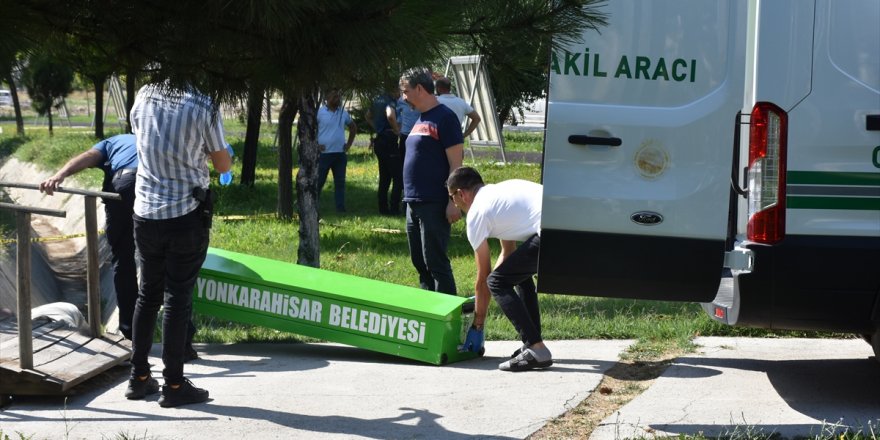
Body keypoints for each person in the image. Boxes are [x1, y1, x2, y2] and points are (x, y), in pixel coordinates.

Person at [38, 135, 201, 362]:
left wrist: (59, 175)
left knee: (123, 262)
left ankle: (131, 337)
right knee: (168, 264)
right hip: (157, 190)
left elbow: (87, 157)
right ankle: (182, 343)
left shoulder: (113, 142)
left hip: (122, 189)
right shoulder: (158, 139)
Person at [125, 82, 231, 408]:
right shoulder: (203, 103)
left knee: (148, 294)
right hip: (185, 214)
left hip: (144, 213)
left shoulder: (143, 95)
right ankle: (173, 384)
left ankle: (139, 376)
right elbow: (222, 165)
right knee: (177, 298)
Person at [446, 166, 552, 372]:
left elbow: (484, 276)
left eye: (452, 197)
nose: (454, 203)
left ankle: (538, 350)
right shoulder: (498, 195)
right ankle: (532, 342)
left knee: (496, 282)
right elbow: (508, 251)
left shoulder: (477, 214)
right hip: (566, 226)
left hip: (550, 232)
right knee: (518, 276)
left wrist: (478, 324)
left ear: (461, 193)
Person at [399, 67, 464, 295]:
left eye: (405, 91)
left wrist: (453, 202)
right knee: (420, 263)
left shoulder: (445, 118)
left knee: (435, 263)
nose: (403, 96)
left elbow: (457, 163)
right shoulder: (421, 118)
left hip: (434, 202)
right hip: (413, 202)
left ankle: (447, 319)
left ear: (419, 88)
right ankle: (427, 317)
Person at [317, 88, 357, 213]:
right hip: (324, 154)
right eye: (334, 97)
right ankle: (313, 205)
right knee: (319, 182)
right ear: (326, 98)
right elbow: (310, 129)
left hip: (339, 154)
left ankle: (340, 208)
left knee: (340, 183)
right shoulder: (319, 112)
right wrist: (316, 145)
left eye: (338, 96)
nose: (337, 99)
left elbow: (353, 127)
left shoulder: (343, 113)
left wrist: (349, 144)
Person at [366, 88, 403, 215]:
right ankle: (394, 208)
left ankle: (383, 208)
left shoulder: (377, 100)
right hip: (389, 141)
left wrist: (377, 128)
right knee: (398, 177)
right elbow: (390, 115)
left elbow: (368, 116)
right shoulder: (390, 101)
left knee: (385, 177)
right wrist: (396, 129)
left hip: (380, 141)